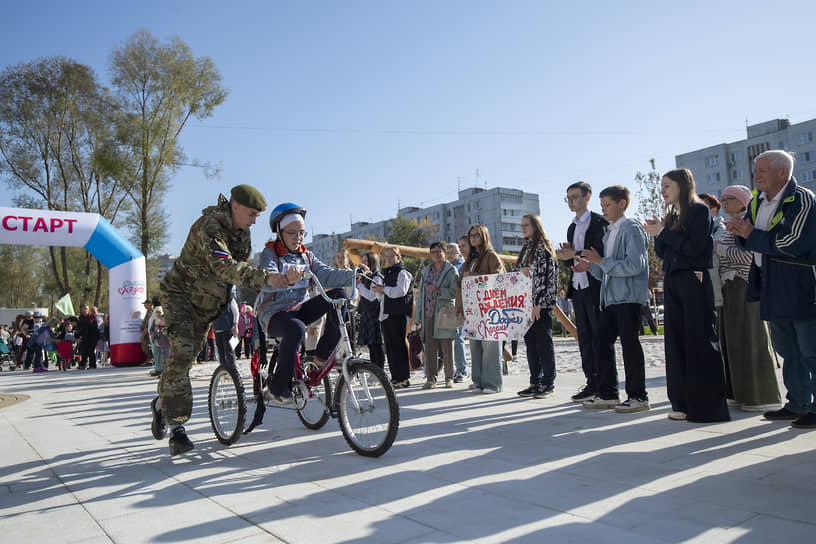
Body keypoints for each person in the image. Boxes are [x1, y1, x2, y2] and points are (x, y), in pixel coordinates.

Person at [152, 184, 276, 456]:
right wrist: (266, 278)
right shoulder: (210, 227)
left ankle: (162, 406)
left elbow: (237, 273)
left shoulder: (243, 233)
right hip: (180, 296)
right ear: (235, 206)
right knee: (183, 355)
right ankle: (178, 430)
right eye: (252, 214)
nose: (255, 220)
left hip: (208, 304)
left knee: (188, 358)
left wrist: (243, 302)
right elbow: (224, 266)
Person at [727, 150, 816, 428]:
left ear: (782, 172)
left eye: (762, 170)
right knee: (787, 349)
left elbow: (793, 242)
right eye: (755, 170)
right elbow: (748, 238)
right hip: (769, 283)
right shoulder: (757, 203)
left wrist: (750, 236)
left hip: (799, 285)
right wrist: (743, 235)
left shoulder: (801, 199)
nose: (757, 175)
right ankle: (798, 403)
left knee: (810, 349)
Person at [644, 168, 730, 423]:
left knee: (700, 341)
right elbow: (662, 251)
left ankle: (708, 407)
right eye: (662, 186)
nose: (663, 190)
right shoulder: (671, 214)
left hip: (694, 278)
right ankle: (681, 403)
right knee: (676, 342)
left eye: (667, 185)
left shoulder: (699, 210)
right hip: (673, 280)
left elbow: (694, 248)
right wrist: (658, 232)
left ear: (682, 185)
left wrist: (665, 233)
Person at [257, 202, 362, 403]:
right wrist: (282, 277)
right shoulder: (270, 253)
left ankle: (321, 357)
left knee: (338, 296)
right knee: (296, 329)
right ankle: (277, 387)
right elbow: (265, 275)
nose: (298, 238)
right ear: (280, 232)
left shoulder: (306, 256)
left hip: (299, 308)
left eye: (302, 233)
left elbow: (327, 274)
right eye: (292, 233)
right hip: (274, 314)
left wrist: (355, 275)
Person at [581, 185, 650, 413]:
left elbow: (634, 265)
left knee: (630, 346)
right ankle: (608, 393)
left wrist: (601, 261)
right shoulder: (609, 232)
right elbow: (604, 271)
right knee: (601, 342)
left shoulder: (631, 229)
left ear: (622, 204)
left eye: (607, 205)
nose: (604, 210)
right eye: (601, 206)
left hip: (628, 297)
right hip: (610, 299)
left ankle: (638, 396)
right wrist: (590, 264)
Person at [716, 184, 781, 412]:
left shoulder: (748, 223)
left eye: (728, 199)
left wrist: (720, 251)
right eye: (722, 199)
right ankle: (738, 392)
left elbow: (749, 256)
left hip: (745, 285)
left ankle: (760, 395)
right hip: (728, 288)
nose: (723, 203)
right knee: (732, 342)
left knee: (750, 338)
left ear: (742, 200)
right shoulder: (727, 226)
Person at [555, 181, 608, 402]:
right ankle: (591, 382)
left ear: (587, 197)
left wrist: (575, 254)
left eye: (575, 196)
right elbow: (572, 257)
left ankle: (605, 385)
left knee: (599, 337)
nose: (571, 201)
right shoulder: (571, 226)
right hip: (577, 286)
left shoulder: (598, 222)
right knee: (584, 337)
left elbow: (600, 251)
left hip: (594, 284)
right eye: (568, 197)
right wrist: (568, 257)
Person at [456, 224, 504, 393]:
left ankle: (492, 383)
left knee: (490, 346)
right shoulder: (470, 259)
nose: (474, 238)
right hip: (472, 308)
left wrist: (475, 277)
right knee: (475, 346)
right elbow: (460, 285)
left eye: (477, 234)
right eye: (471, 235)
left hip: (489, 307)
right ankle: (478, 381)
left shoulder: (491, 256)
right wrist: (460, 307)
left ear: (484, 235)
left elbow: (499, 279)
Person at [515, 214, 558, 399]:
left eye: (527, 225)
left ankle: (548, 382)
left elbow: (545, 276)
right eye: (522, 225)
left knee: (544, 344)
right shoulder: (526, 248)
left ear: (536, 226)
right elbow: (519, 273)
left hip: (540, 304)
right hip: (526, 304)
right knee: (531, 344)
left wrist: (539, 303)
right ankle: (535, 381)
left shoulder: (542, 248)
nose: (523, 228)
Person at [416, 241, 459, 389]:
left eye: (439, 251)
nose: (436, 254)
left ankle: (449, 378)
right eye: (433, 252)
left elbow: (455, 292)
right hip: (428, 313)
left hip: (445, 313)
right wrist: (417, 317)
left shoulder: (451, 270)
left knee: (447, 347)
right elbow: (420, 296)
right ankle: (431, 379)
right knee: (430, 349)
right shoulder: (425, 271)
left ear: (445, 253)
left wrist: (439, 290)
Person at [373, 246, 413, 388]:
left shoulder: (403, 272)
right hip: (387, 314)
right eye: (387, 256)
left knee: (399, 347)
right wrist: (378, 290)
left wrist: (383, 289)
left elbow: (400, 291)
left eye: (392, 256)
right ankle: (395, 377)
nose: (389, 259)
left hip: (397, 314)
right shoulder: (387, 273)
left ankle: (403, 378)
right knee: (390, 348)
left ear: (398, 257)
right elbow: (380, 297)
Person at [356, 252, 386, 369]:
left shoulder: (377, 276)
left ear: (372, 261)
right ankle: (375, 370)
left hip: (375, 314)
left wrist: (359, 285)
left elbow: (372, 296)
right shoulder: (366, 277)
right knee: (371, 345)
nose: (363, 263)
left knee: (377, 345)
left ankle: (380, 369)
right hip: (367, 313)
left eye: (366, 261)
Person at [449, 238, 469, 382]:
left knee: (458, 338)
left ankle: (462, 370)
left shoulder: (460, 267)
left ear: (459, 254)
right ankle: (455, 369)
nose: (449, 254)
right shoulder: (447, 267)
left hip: (461, 305)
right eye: (447, 252)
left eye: (453, 252)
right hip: (451, 306)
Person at [213, 295, 240, 370]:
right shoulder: (212, 300)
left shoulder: (230, 299)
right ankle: (224, 369)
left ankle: (233, 368)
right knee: (221, 352)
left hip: (228, 329)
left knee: (229, 351)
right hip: (217, 329)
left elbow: (236, 313)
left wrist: (235, 326)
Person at [77, 304, 100, 369]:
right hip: (84, 336)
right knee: (84, 350)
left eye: (86, 309)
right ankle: (82, 365)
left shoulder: (92, 316)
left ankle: (92, 365)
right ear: (82, 309)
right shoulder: (80, 317)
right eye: (84, 308)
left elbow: (94, 326)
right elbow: (79, 327)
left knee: (90, 350)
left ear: (88, 309)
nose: (85, 310)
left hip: (93, 335)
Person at [147, 295, 163, 377]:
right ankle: (159, 369)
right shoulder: (157, 309)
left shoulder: (158, 310)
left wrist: (154, 333)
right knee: (158, 353)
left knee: (157, 353)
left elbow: (158, 322)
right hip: (155, 334)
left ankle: (159, 369)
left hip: (156, 335)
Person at [140, 298, 154, 365]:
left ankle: (150, 360)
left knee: (147, 346)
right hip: (148, 333)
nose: (144, 306)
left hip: (148, 333)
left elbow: (147, 325)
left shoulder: (150, 312)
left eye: (145, 304)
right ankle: (150, 359)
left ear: (149, 304)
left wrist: (143, 335)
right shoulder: (148, 311)